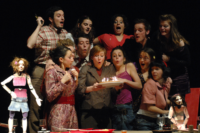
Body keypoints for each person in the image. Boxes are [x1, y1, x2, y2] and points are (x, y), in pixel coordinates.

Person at [26, 6, 69, 133]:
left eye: (63, 16)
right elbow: (30, 45)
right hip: (41, 69)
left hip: (58, 71)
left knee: (55, 106)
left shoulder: (65, 33)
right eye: (58, 15)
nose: (62, 18)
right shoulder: (44, 31)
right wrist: (39, 26)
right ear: (50, 19)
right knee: (36, 105)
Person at [77, 45, 117, 129]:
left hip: (105, 110)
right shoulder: (86, 69)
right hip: (90, 110)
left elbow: (112, 90)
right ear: (91, 57)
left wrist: (117, 87)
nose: (99, 58)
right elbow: (80, 90)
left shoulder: (109, 68)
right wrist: (92, 88)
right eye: (96, 55)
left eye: (102, 56)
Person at [1, 57, 42, 133]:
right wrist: (11, 92)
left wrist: (37, 97)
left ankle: (24, 131)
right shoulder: (13, 76)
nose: (21, 66)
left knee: (24, 117)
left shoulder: (26, 76)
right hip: (15, 98)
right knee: (11, 116)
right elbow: (2, 83)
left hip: (24, 99)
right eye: (19, 64)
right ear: (15, 66)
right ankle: (10, 131)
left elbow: (31, 87)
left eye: (23, 64)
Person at [45, 45, 78, 131]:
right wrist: (62, 82)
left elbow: (72, 91)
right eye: (69, 57)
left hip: (72, 110)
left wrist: (76, 79)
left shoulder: (71, 72)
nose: (72, 60)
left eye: (72, 57)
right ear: (61, 59)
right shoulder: (52, 71)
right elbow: (49, 96)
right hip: (59, 111)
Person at [157, 14, 190, 97]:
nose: (162, 28)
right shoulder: (161, 40)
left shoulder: (179, 42)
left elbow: (187, 62)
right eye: (160, 26)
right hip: (167, 78)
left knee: (177, 106)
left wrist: (169, 59)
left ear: (172, 27)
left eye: (165, 26)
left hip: (179, 79)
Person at [110, 46, 142, 130]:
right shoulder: (110, 70)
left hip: (126, 107)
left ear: (124, 59)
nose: (117, 57)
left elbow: (139, 85)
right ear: (112, 59)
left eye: (119, 55)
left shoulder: (129, 66)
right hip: (114, 108)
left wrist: (125, 80)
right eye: (114, 56)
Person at [135, 61, 172, 130]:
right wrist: (167, 112)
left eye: (157, 69)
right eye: (152, 69)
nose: (154, 71)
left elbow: (163, 99)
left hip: (157, 120)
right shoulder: (150, 83)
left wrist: (174, 103)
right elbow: (150, 107)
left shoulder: (166, 83)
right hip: (144, 120)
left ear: (163, 70)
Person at [132, 48, 156, 113]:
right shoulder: (136, 73)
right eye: (140, 57)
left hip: (151, 108)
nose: (142, 60)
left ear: (152, 60)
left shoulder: (154, 75)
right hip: (135, 108)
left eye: (145, 58)